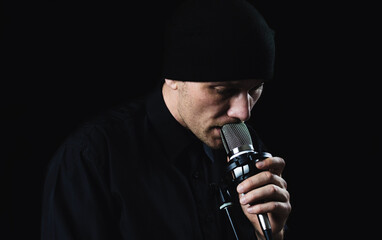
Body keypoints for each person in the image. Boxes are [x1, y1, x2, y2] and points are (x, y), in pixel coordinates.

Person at [41, 0, 291, 239]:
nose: (243, 113)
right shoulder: (93, 157)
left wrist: (270, 235)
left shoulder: (245, 145)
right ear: (172, 78)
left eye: (255, 88)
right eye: (223, 90)